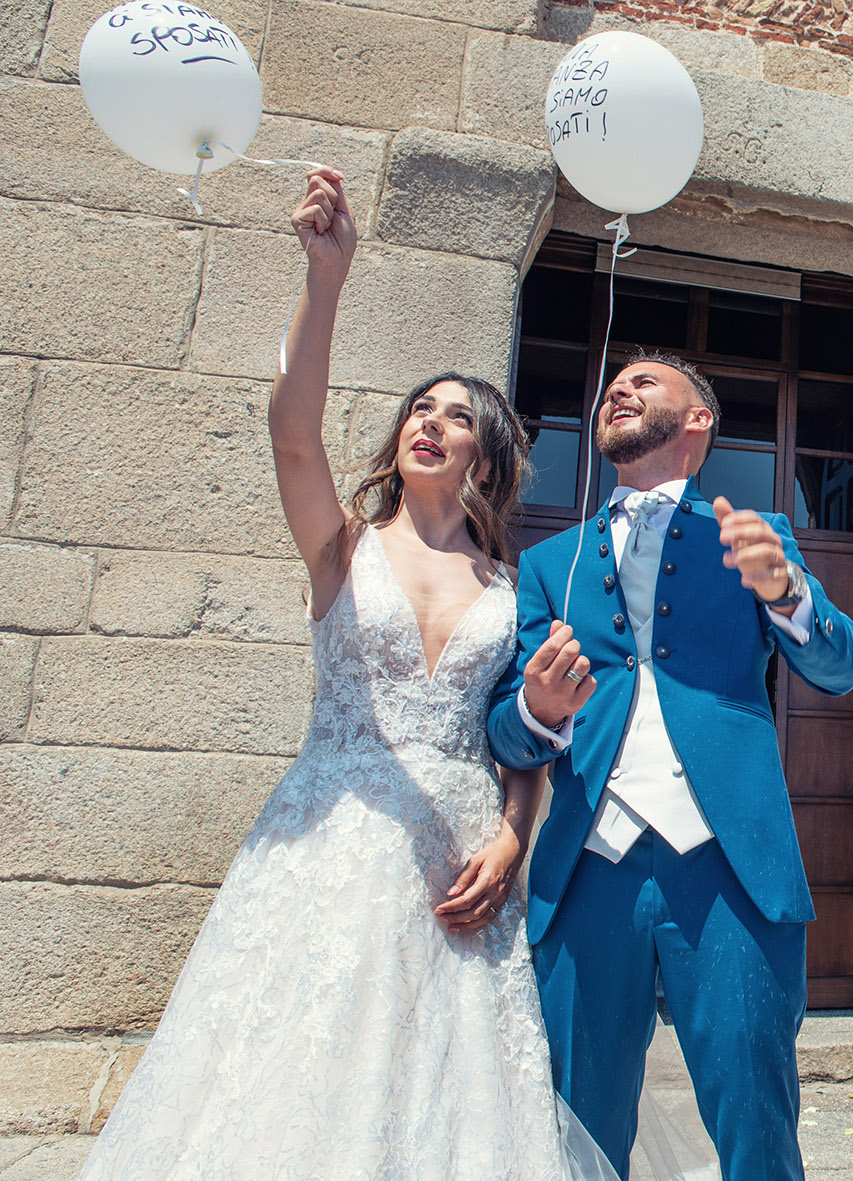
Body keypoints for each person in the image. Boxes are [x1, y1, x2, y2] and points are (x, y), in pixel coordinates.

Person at [80, 170, 618, 1178]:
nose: (430, 420)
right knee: (295, 1064)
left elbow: (518, 729)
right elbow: (290, 431)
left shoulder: (511, 586)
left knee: (439, 1089)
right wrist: (325, 279)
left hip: (456, 857)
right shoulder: (341, 546)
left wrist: (512, 834)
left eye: (457, 415)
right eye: (419, 407)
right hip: (325, 840)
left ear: (487, 458)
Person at [486, 351, 853, 1180]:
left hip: (731, 867)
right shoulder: (553, 562)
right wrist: (535, 713)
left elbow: (843, 667)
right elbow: (507, 735)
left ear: (698, 420)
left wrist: (787, 593)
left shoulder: (758, 534)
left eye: (646, 380)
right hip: (589, 867)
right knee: (573, 1125)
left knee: (757, 1125)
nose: (619, 388)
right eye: (612, 384)